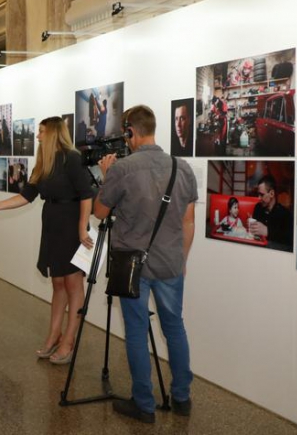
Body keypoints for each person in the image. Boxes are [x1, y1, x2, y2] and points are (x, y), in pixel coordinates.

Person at [94, 105, 197, 423]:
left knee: (137, 332)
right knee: (175, 328)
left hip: (132, 265)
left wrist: (105, 176)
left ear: (130, 132)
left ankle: (144, 404)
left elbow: (99, 212)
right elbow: (189, 221)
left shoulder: (123, 169)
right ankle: (181, 398)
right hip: (170, 263)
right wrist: (182, 260)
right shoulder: (183, 168)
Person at [0, 117, 94, 365]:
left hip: (72, 224)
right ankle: (53, 335)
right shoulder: (43, 162)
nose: (37, 136)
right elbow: (26, 196)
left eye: (41, 131)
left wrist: (81, 229)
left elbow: (86, 195)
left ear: (54, 133)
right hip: (53, 224)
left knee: (73, 282)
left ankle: (69, 340)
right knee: (57, 282)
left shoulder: (72, 158)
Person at [249, 174, 292, 249]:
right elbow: (255, 235)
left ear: (272, 194)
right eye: (258, 194)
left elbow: (289, 240)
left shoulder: (285, 214)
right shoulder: (258, 208)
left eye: (261, 195)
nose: (258, 198)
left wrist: (268, 231)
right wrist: (251, 226)